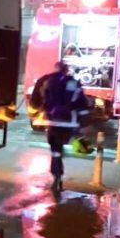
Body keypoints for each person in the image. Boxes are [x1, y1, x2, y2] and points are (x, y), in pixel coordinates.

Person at [37, 62, 91, 190]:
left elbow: (41, 100)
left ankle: (57, 176)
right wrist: (84, 121)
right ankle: (61, 168)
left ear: (56, 69)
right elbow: (82, 103)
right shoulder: (73, 83)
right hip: (70, 123)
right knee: (67, 145)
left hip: (53, 122)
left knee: (55, 150)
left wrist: (45, 111)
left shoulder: (48, 81)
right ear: (66, 71)